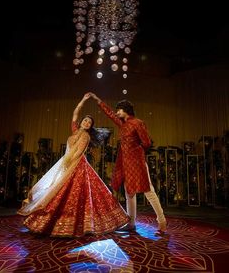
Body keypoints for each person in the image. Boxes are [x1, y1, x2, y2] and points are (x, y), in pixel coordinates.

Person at [18, 93, 130, 237]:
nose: (86, 123)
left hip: (77, 165)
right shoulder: (76, 131)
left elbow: (78, 153)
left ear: (90, 127)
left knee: (72, 193)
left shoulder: (86, 136)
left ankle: (76, 224)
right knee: (58, 191)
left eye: (89, 123)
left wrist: (68, 165)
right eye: (85, 120)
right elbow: (75, 114)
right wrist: (83, 100)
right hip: (67, 163)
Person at [89, 92, 167, 233]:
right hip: (125, 163)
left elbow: (147, 142)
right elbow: (110, 114)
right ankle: (131, 223)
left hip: (137, 162)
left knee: (148, 190)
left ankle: (161, 221)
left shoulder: (137, 123)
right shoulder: (123, 124)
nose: (117, 112)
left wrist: (135, 152)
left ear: (126, 110)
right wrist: (97, 100)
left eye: (119, 109)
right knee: (129, 192)